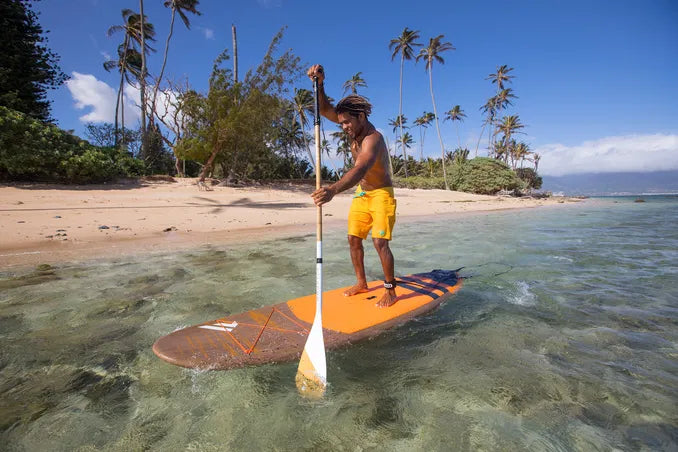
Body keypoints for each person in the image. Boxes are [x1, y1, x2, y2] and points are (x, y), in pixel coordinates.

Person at [308, 64, 398, 308]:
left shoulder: (373, 139)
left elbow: (360, 169)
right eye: (341, 123)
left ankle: (390, 290)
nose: (344, 127)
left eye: (347, 122)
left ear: (361, 117)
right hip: (362, 194)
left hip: (381, 194)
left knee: (380, 242)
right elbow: (324, 109)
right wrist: (320, 84)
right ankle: (362, 283)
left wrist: (332, 190)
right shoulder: (353, 129)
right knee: (353, 238)